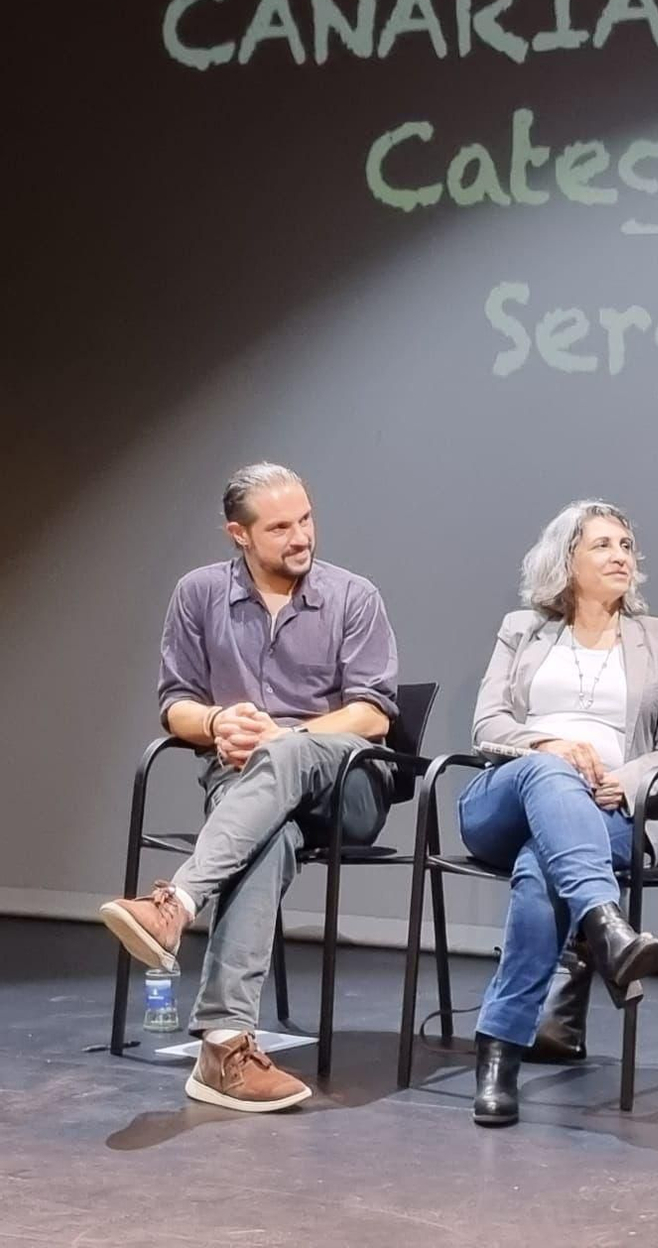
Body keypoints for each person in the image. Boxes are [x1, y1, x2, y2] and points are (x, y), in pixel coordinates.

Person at [99, 463, 400, 1112]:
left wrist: (284, 736)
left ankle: (175, 903)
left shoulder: (353, 597)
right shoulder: (199, 595)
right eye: (280, 527)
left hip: (346, 789)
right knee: (267, 841)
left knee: (287, 758)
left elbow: (373, 713)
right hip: (245, 789)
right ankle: (226, 1049)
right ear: (238, 534)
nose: (302, 537)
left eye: (306, 519)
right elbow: (176, 704)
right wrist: (214, 721)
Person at [461, 499, 658, 1125]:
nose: (621, 555)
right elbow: (487, 725)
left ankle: (499, 1053)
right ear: (566, 560)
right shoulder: (523, 629)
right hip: (506, 795)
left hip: (610, 811)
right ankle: (604, 921)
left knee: (541, 872)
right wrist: (550, 747)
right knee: (548, 771)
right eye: (603, 545)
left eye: (626, 545)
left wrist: (624, 778)